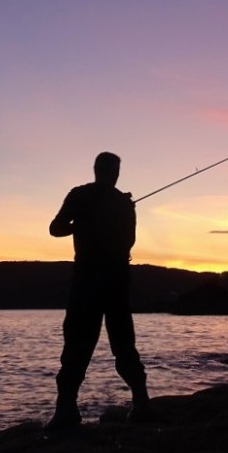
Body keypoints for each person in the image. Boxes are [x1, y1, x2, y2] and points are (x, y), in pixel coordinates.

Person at [46, 151, 155, 429]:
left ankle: (66, 411)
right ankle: (141, 403)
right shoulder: (124, 203)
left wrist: (79, 224)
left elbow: (55, 229)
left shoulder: (79, 195)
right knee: (123, 345)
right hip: (117, 282)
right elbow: (128, 243)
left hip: (87, 282)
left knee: (76, 346)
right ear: (115, 173)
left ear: (95, 169)